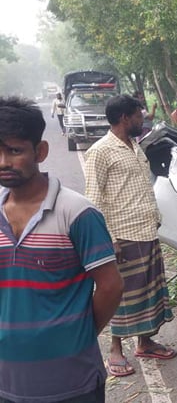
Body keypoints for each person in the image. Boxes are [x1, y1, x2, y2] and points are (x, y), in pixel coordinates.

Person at [0, 97, 123, 402]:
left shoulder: (77, 213)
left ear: (39, 151)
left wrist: (76, 333)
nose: (3, 162)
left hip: (73, 383)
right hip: (6, 383)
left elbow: (110, 286)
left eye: (15, 151)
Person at [84, 94, 176, 378]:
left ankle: (145, 342)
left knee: (149, 292)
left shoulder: (134, 145)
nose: (143, 118)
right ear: (125, 117)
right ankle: (115, 350)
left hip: (146, 231)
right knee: (122, 296)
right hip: (122, 237)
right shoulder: (100, 151)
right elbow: (93, 199)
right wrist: (107, 239)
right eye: (138, 114)